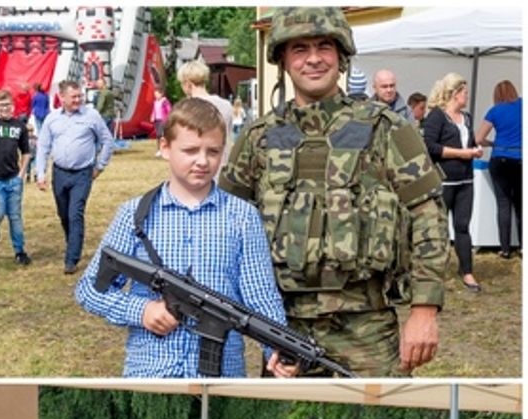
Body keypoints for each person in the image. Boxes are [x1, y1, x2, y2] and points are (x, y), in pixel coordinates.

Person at [221, 7, 449, 377]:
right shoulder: (258, 137)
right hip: (284, 328)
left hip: (367, 328)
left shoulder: (385, 129)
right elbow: (227, 225)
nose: (313, 58)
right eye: (299, 49)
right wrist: (258, 329)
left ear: (341, 56)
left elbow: (428, 214)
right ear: (282, 58)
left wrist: (424, 309)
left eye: (324, 46)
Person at [76, 98, 295, 378]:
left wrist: (276, 349)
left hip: (221, 376)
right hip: (151, 372)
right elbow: (89, 290)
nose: (202, 161)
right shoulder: (134, 215)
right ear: (165, 148)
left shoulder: (243, 217)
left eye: (213, 151)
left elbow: (261, 296)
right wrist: (141, 310)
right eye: (190, 150)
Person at [34, 79, 115, 275]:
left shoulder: (92, 116)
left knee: (75, 214)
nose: (78, 100)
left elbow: (107, 141)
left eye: (80, 96)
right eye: (74, 97)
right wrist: (40, 173)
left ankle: (71, 258)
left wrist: (100, 167)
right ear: (62, 98)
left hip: (82, 173)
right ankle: (72, 241)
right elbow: (43, 147)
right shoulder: (52, 119)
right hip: (60, 173)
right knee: (64, 214)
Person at [423, 72, 484, 292]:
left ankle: (467, 272)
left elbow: (471, 141)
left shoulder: (466, 118)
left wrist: (475, 150)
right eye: (465, 92)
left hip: (466, 180)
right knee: (438, 228)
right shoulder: (437, 116)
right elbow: (430, 146)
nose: (467, 96)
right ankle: (433, 273)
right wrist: (461, 153)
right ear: (455, 93)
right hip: (444, 181)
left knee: (462, 226)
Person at [476, 81, 522, 259]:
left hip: (500, 159)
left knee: (503, 204)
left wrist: (493, 143)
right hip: (520, 159)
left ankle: (505, 249)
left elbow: (479, 138)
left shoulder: (494, 111)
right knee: (521, 204)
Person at [0, 88, 32, 266]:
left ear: (12, 105)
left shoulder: (19, 126)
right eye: (0, 105)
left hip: (13, 179)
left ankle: (20, 251)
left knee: (15, 216)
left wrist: (21, 175)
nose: (4, 109)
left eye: (7, 105)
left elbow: (26, 152)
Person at [176, 59, 233, 147]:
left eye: (181, 84)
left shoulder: (187, 108)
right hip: (223, 157)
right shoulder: (226, 105)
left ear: (188, 84)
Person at [152, 89, 171, 157]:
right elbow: (154, 110)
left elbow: (169, 110)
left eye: (157, 94)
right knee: (158, 135)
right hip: (156, 120)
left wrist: (167, 119)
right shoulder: (155, 102)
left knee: (161, 135)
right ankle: (159, 149)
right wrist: (152, 116)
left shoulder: (165, 102)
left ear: (161, 94)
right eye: (155, 94)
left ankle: (163, 149)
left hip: (163, 120)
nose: (156, 96)